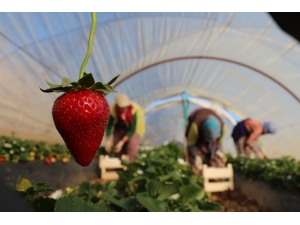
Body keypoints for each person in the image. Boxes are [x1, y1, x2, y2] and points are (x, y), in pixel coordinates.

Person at [104, 93, 146, 162]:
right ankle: (118, 164)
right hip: (119, 127)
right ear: (117, 105)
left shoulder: (135, 110)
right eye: (121, 107)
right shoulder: (113, 109)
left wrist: (121, 142)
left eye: (125, 107)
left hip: (134, 128)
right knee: (116, 144)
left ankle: (130, 165)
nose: (124, 109)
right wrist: (108, 140)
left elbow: (132, 129)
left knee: (132, 145)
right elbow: (109, 125)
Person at [185, 108, 227, 174]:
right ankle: (197, 177)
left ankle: (215, 175)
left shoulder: (223, 126)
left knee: (217, 158)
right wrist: (196, 157)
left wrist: (219, 150)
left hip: (212, 141)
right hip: (197, 139)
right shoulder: (195, 126)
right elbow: (191, 144)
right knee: (196, 162)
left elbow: (219, 142)